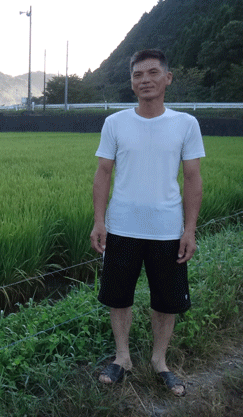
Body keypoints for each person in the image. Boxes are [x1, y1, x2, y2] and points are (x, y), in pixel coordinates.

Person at [89, 49, 205, 397]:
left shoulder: (185, 124)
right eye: (138, 75)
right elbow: (102, 173)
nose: (145, 80)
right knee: (118, 297)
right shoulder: (115, 123)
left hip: (167, 231)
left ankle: (159, 361)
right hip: (122, 228)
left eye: (153, 73)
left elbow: (193, 179)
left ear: (167, 78)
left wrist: (189, 229)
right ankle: (122, 357)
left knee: (166, 301)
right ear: (131, 82)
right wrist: (99, 222)